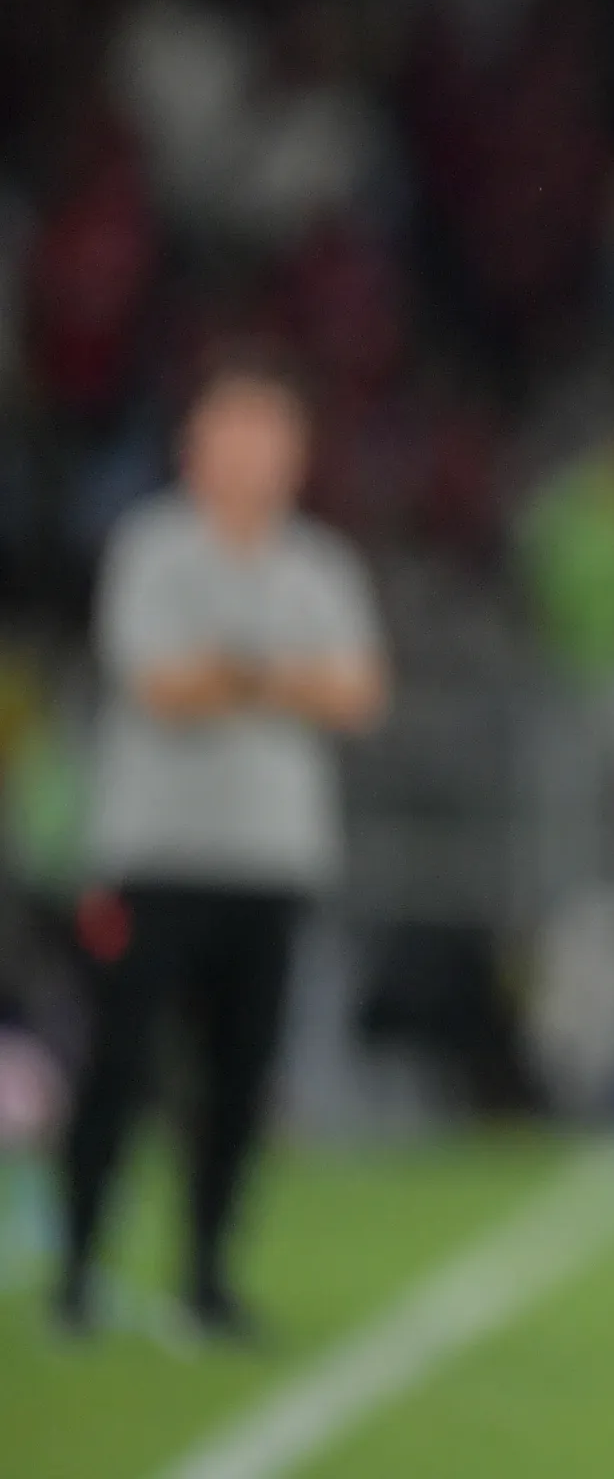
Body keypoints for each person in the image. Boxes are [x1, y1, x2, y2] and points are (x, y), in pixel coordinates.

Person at [55, 359, 388, 1340]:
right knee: (118, 1065)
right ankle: (77, 1270)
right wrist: (285, 678)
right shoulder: (152, 547)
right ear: (194, 448)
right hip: (152, 855)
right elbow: (161, 685)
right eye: (233, 434)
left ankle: (205, 1274)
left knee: (240, 1077)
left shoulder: (321, 565)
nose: (251, 456)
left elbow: (359, 693)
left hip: (271, 860)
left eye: (269, 436)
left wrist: (231, 674)